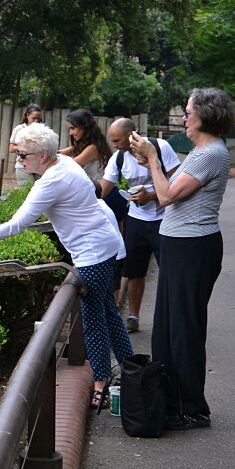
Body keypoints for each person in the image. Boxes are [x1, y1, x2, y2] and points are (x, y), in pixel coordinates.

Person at [0, 122, 133, 409]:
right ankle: (132, 370)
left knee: (94, 318)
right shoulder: (66, 162)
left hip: (93, 252)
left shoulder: (51, 181)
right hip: (104, 244)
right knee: (108, 310)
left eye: (23, 155)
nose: (18, 160)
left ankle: (100, 384)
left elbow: (17, 224)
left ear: (42, 156)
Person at [130, 87, 235, 430]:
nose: (185, 118)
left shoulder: (211, 153)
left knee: (184, 328)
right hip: (180, 243)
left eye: (189, 113)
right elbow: (166, 192)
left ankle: (193, 407)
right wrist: (149, 176)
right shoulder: (200, 150)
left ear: (205, 116)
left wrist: (154, 161)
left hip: (194, 246)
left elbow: (167, 197)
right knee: (166, 328)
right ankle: (169, 398)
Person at [100, 118, 180, 333]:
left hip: (165, 217)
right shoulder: (118, 158)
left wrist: (151, 196)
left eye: (117, 140)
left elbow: (179, 182)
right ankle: (133, 316)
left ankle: (172, 317)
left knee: (169, 269)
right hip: (136, 218)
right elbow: (103, 189)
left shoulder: (160, 147)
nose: (114, 145)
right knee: (134, 270)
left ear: (130, 135)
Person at [60, 109, 113, 182]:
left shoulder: (93, 148)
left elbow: (69, 166)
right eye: (69, 129)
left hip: (100, 191)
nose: (70, 133)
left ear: (85, 127)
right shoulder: (83, 146)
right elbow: (58, 153)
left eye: (73, 128)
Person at [9, 103, 43, 187]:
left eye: (38, 119)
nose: (36, 121)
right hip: (23, 166)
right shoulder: (19, 129)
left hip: (39, 166)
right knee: (27, 192)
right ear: (27, 115)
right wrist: (23, 148)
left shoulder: (42, 129)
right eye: (34, 118)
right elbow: (11, 148)